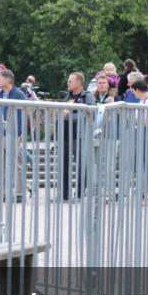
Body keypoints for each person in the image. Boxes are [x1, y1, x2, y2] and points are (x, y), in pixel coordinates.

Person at [0, 69, 28, 204]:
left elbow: (23, 114)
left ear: (8, 80)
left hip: (12, 133)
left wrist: (18, 132)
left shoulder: (19, 95)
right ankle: (1, 192)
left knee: (16, 162)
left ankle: (19, 192)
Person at [61, 72, 94, 201]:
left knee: (81, 165)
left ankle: (80, 194)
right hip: (65, 135)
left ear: (79, 83)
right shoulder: (67, 96)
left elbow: (90, 113)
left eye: (70, 81)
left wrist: (68, 116)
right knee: (64, 165)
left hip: (80, 136)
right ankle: (65, 195)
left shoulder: (87, 96)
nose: (68, 83)